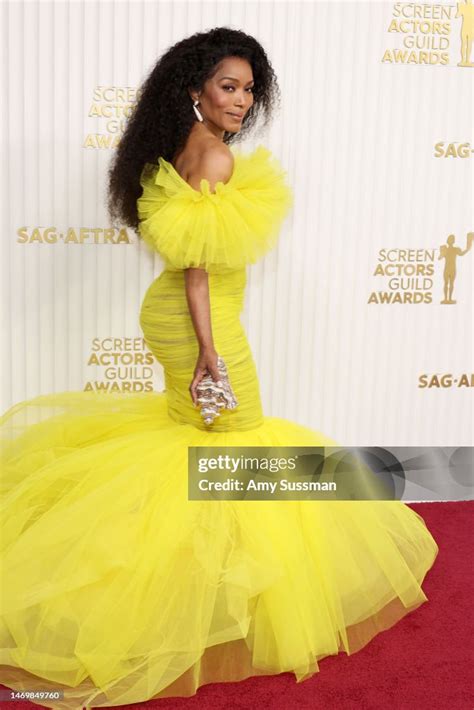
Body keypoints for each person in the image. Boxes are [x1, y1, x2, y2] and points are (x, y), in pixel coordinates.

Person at [0, 27, 438, 709]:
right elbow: (198, 271)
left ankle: (199, 590)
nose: (240, 101)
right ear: (195, 92)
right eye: (228, 87)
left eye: (248, 90)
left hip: (183, 316)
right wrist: (210, 353)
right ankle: (202, 601)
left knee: (205, 448)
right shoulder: (214, 159)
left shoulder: (191, 148)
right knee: (237, 444)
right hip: (199, 321)